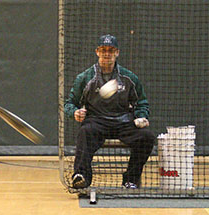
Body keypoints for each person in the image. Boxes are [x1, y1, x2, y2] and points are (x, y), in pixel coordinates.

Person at [64, 34, 155, 189]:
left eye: (111, 50)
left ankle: (131, 179)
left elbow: (142, 103)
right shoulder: (85, 78)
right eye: (103, 50)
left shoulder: (129, 78)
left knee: (146, 137)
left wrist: (142, 116)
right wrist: (75, 112)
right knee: (85, 132)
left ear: (117, 53)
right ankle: (82, 176)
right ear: (97, 52)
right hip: (96, 121)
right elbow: (69, 104)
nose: (107, 54)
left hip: (124, 122)